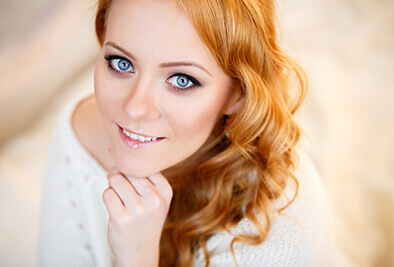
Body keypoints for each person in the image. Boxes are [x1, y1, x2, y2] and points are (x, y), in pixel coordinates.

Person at [38, 0, 337, 266]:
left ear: (238, 94)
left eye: (181, 80)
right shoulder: (78, 139)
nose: (135, 108)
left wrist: (137, 258)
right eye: (121, 62)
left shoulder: (282, 229)